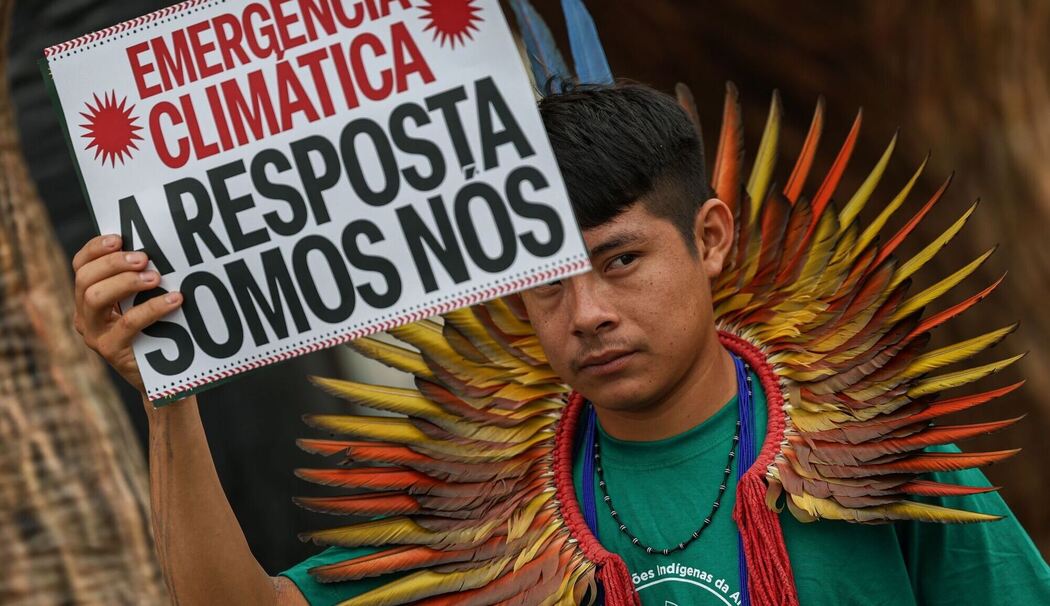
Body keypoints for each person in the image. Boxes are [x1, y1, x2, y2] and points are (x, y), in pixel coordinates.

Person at [72, 82, 1050, 605]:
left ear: (711, 240)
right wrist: (170, 392)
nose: (583, 313)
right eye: (545, 284)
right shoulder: (476, 525)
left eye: (620, 261)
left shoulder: (887, 465)